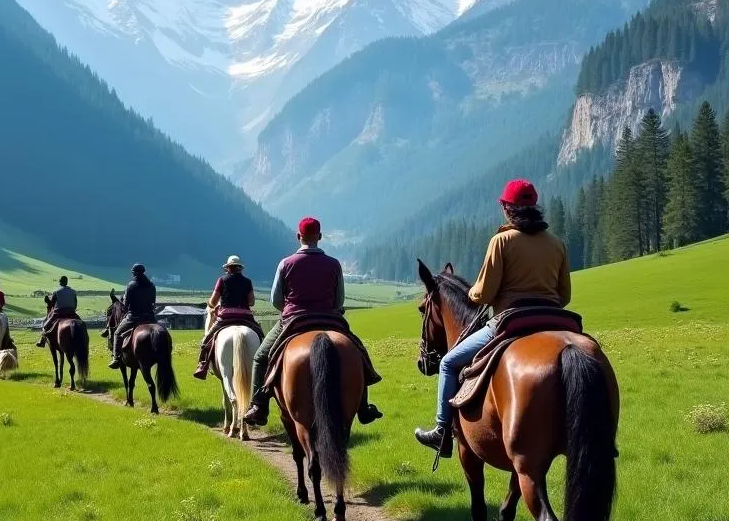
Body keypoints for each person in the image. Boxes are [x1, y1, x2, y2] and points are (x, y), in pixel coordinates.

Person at [414, 179, 572, 458]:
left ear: (507, 209)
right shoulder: (556, 244)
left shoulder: (502, 241)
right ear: (534, 208)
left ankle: (441, 431)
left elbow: (484, 293)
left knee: (450, 363)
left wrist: (473, 292)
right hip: (554, 320)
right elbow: (564, 295)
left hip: (511, 320)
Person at [242, 217, 382, 427]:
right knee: (358, 352)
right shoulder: (334, 264)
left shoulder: (286, 263)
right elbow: (339, 300)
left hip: (293, 319)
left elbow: (276, 300)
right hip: (330, 319)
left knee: (261, 357)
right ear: (320, 237)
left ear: (299, 237)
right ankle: (363, 406)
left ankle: (259, 406)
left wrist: (291, 310)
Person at [193, 255, 262, 379]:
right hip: (246, 317)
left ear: (228, 268)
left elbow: (213, 302)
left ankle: (202, 365)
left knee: (206, 341)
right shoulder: (247, 282)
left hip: (226, 317)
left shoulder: (222, 280)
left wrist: (211, 304)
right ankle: (265, 366)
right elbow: (251, 302)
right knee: (261, 337)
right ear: (240, 268)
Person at [109, 264, 157, 369]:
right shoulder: (152, 285)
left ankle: (116, 358)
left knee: (117, 333)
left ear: (134, 273)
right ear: (143, 272)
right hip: (150, 317)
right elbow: (153, 303)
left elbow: (125, 305)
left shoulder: (131, 285)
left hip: (134, 317)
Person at [37, 274, 79, 347]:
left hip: (59, 313)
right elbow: (75, 304)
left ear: (60, 282)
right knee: (82, 324)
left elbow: (52, 304)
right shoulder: (73, 292)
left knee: (45, 325)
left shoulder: (56, 292)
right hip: (71, 312)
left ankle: (42, 341)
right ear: (67, 282)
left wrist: (47, 301)